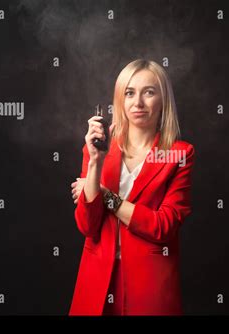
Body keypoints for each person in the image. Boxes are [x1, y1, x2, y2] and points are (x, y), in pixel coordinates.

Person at [69, 59, 195, 315]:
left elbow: (163, 226)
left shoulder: (179, 155)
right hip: (96, 286)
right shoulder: (97, 150)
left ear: (163, 101)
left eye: (148, 92)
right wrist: (95, 162)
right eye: (129, 93)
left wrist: (106, 196)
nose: (137, 102)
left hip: (149, 289)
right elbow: (87, 226)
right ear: (120, 100)